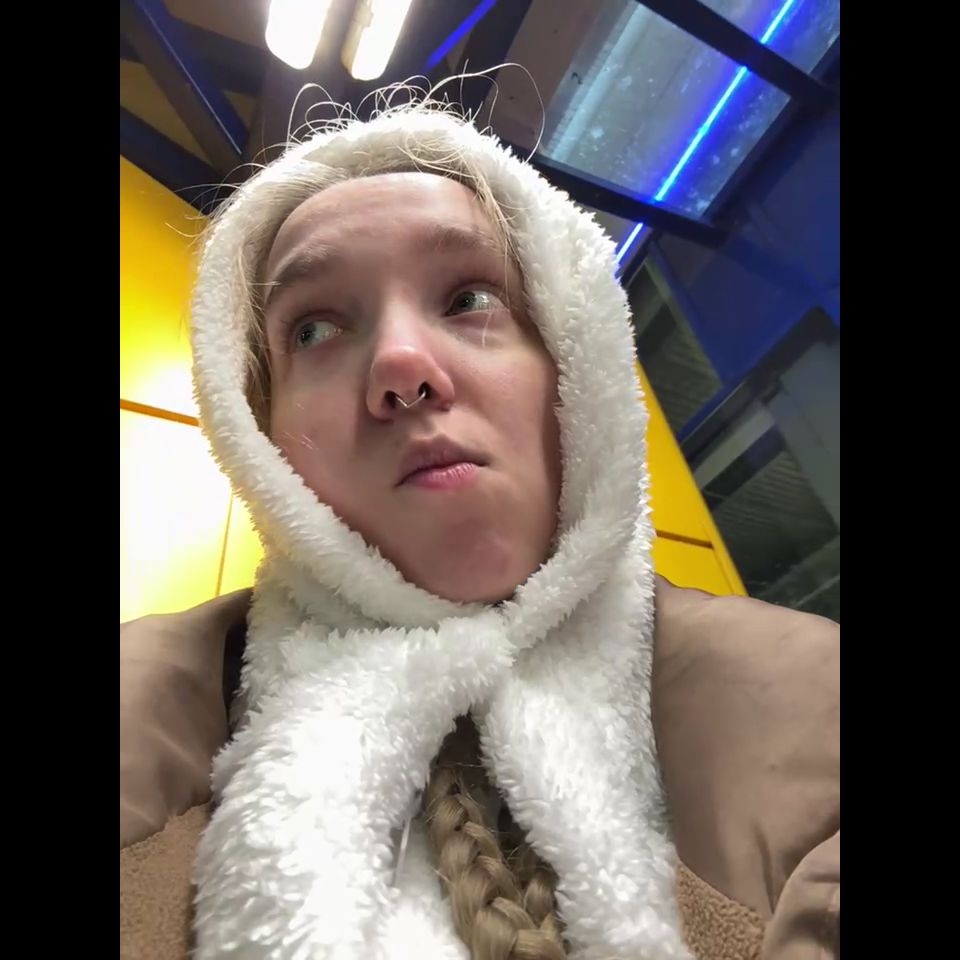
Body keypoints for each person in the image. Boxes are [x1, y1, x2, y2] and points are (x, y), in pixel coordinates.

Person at [120, 100, 839, 960]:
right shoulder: (139, 719)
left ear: (576, 367)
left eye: (469, 299)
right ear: (256, 433)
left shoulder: (818, 708)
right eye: (313, 329)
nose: (401, 365)